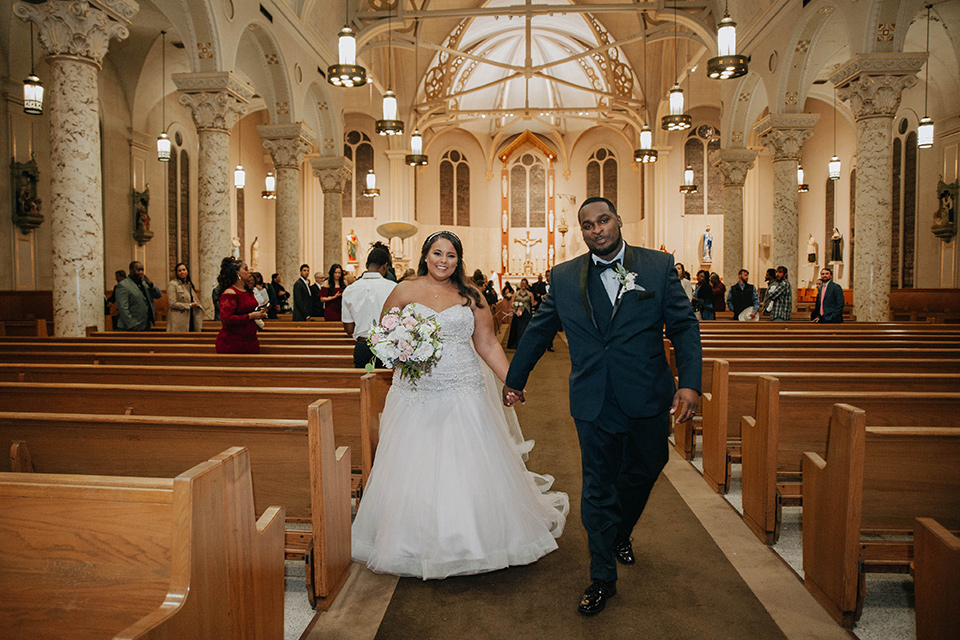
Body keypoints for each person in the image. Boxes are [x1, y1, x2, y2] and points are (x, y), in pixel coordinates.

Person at [502, 197, 701, 616]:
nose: (597, 229)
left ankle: (620, 530)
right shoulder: (564, 275)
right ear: (582, 231)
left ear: (618, 219)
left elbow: (683, 326)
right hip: (592, 398)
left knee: (646, 467)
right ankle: (601, 576)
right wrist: (514, 381)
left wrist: (690, 385)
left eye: (603, 220)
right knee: (597, 485)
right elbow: (538, 331)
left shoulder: (658, 267)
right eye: (587, 225)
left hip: (647, 393)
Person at [352, 230, 569, 579]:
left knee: (469, 462)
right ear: (425, 256)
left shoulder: (470, 295)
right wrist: (397, 352)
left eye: (450, 255)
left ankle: (475, 539)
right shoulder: (405, 290)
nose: (443, 260)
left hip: (462, 387)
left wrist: (511, 380)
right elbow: (385, 333)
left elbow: (487, 344)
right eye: (437, 253)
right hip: (417, 391)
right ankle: (412, 541)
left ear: (458, 259)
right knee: (414, 465)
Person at [341, 246, 397, 368]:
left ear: (367, 265)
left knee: (363, 384)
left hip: (362, 346)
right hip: (387, 345)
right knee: (386, 386)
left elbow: (349, 329)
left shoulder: (350, 290)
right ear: (385, 266)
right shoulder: (393, 288)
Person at [215, 257, 266, 354]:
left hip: (250, 340)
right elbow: (226, 319)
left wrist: (259, 313)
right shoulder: (230, 293)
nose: (249, 272)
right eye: (245, 269)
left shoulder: (247, 291)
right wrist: (251, 316)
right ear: (237, 273)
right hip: (233, 342)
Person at [115, 261, 162, 331]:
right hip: (131, 326)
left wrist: (150, 284)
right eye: (138, 270)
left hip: (145, 324)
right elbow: (123, 308)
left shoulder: (144, 283)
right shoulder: (123, 285)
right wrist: (131, 325)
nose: (141, 272)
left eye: (142, 270)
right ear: (131, 271)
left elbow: (158, 295)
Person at [166, 262, 204, 332]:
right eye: (179, 271)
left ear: (187, 271)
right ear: (176, 273)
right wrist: (189, 305)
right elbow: (172, 303)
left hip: (190, 318)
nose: (182, 272)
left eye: (184, 270)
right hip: (178, 320)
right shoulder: (172, 284)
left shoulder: (189, 284)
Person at [506, 277, 534, 349]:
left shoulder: (530, 294)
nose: (523, 285)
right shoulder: (516, 293)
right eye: (522, 283)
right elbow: (512, 303)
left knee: (525, 328)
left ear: (527, 284)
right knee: (518, 329)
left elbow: (533, 303)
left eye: (525, 283)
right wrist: (516, 307)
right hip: (518, 313)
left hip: (526, 313)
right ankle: (517, 343)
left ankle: (526, 344)